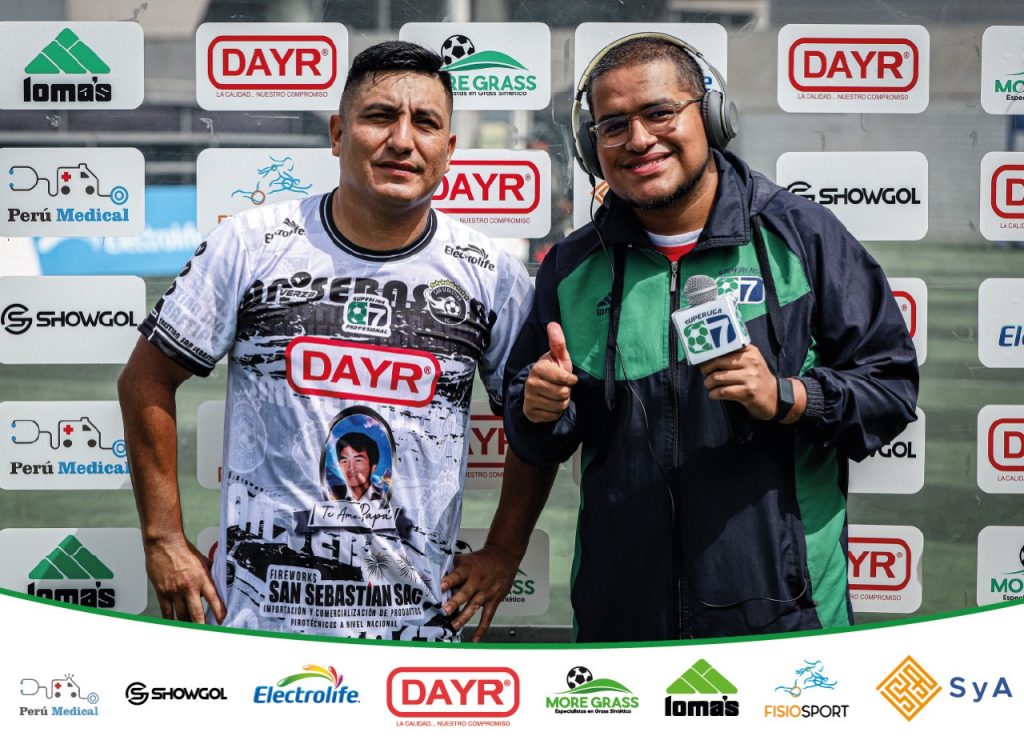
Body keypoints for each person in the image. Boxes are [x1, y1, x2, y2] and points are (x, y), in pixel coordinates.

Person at [446, 34, 919, 641]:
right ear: (593, 147)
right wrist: (538, 410)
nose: (639, 139)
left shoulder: (802, 238)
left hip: (781, 624)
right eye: (614, 125)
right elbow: (539, 439)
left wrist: (787, 397)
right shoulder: (571, 268)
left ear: (713, 117)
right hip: (622, 624)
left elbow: (890, 388)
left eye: (660, 113)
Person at [117, 41, 535, 641]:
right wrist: (162, 538)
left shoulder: (490, 274)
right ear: (338, 134)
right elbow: (146, 379)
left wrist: (505, 551)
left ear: (448, 150)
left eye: (424, 123)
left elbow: (536, 420)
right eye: (379, 117)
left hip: (417, 635)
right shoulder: (251, 245)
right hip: (260, 627)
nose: (402, 140)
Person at [330, 433, 383, 502]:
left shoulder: (384, 496)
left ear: (373, 466)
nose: (351, 467)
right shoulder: (330, 493)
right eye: (345, 461)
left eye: (358, 460)